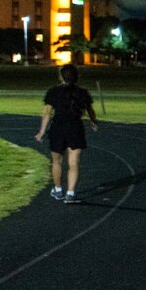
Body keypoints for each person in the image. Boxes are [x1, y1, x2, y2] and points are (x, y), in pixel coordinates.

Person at [34, 63, 97, 203]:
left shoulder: (53, 91)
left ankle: (58, 190)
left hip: (58, 128)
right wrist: (94, 121)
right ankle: (70, 193)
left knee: (57, 162)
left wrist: (42, 132)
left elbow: (47, 113)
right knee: (73, 162)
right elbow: (90, 110)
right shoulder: (82, 92)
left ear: (61, 76)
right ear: (77, 77)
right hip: (75, 128)